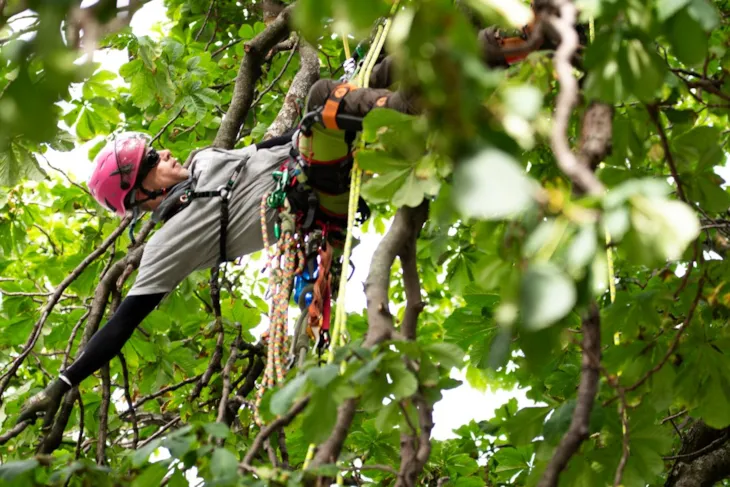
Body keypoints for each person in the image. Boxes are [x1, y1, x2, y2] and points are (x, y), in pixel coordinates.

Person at [14, 10, 572, 427]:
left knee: (399, 59)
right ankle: (407, 111)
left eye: (157, 152)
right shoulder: (169, 244)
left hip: (317, 152)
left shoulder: (210, 160)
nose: (167, 155)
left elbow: (273, 143)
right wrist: (66, 380)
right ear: (143, 197)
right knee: (325, 98)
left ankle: (524, 43)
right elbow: (121, 324)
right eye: (154, 162)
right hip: (313, 196)